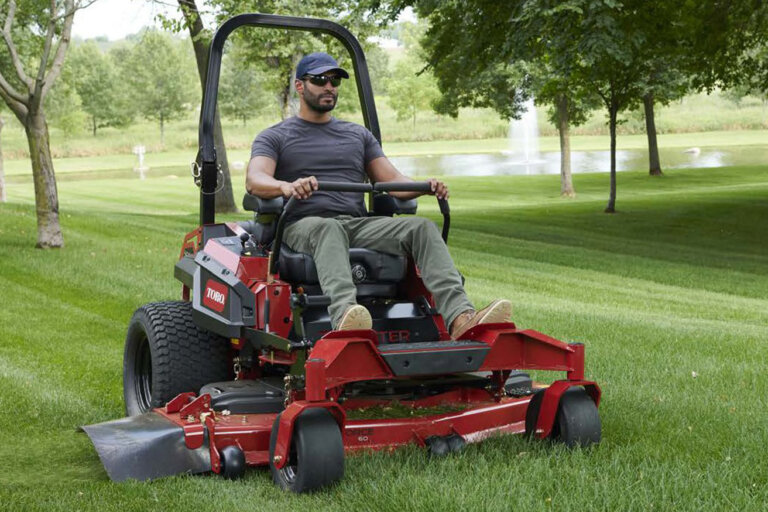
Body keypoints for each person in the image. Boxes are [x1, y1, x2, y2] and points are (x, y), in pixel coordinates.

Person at [245, 52, 511, 339]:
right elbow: (255, 179)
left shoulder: (357, 135)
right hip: (303, 225)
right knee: (328, 228)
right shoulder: (275, 136)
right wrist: (286, 186)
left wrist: (425, 186)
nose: (329, 87)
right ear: (300, 86)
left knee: (421, 227)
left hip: (355, 224)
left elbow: (393, 181)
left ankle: (461, 318)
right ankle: (347, 317)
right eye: (320, 80)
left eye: (334, 81)